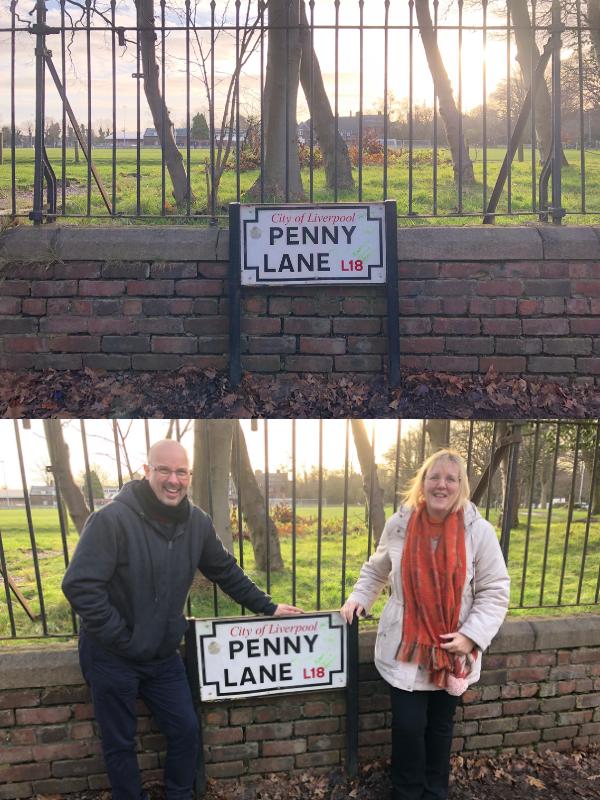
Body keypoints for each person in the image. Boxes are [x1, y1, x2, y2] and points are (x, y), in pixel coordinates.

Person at [62, 439, 302, 800]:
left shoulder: (197, 523)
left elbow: (226, 571)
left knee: (186, 730)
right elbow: (80, 585)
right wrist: (122, 636)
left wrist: (268, 607)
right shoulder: (111, 520)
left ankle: (179, 794)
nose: (173, 480)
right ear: (147, 471)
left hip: (162, 656)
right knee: (119, 743)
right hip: (111, 656)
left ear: (189, 475)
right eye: (163, 470)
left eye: (181, 472)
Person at [340, 449, 510, 800]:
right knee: (407, 727)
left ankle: (435, 792)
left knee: (439, 729)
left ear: (460, 485)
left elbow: (495, 590)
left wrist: (471, 637)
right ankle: (406, 792)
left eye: (451, 478)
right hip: (405, 645)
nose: (441, 484)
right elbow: (377, 568)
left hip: (453, 650)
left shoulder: (478, 531)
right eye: (434, 477)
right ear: (423, 482)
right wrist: (359, 597)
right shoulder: (399, 524)